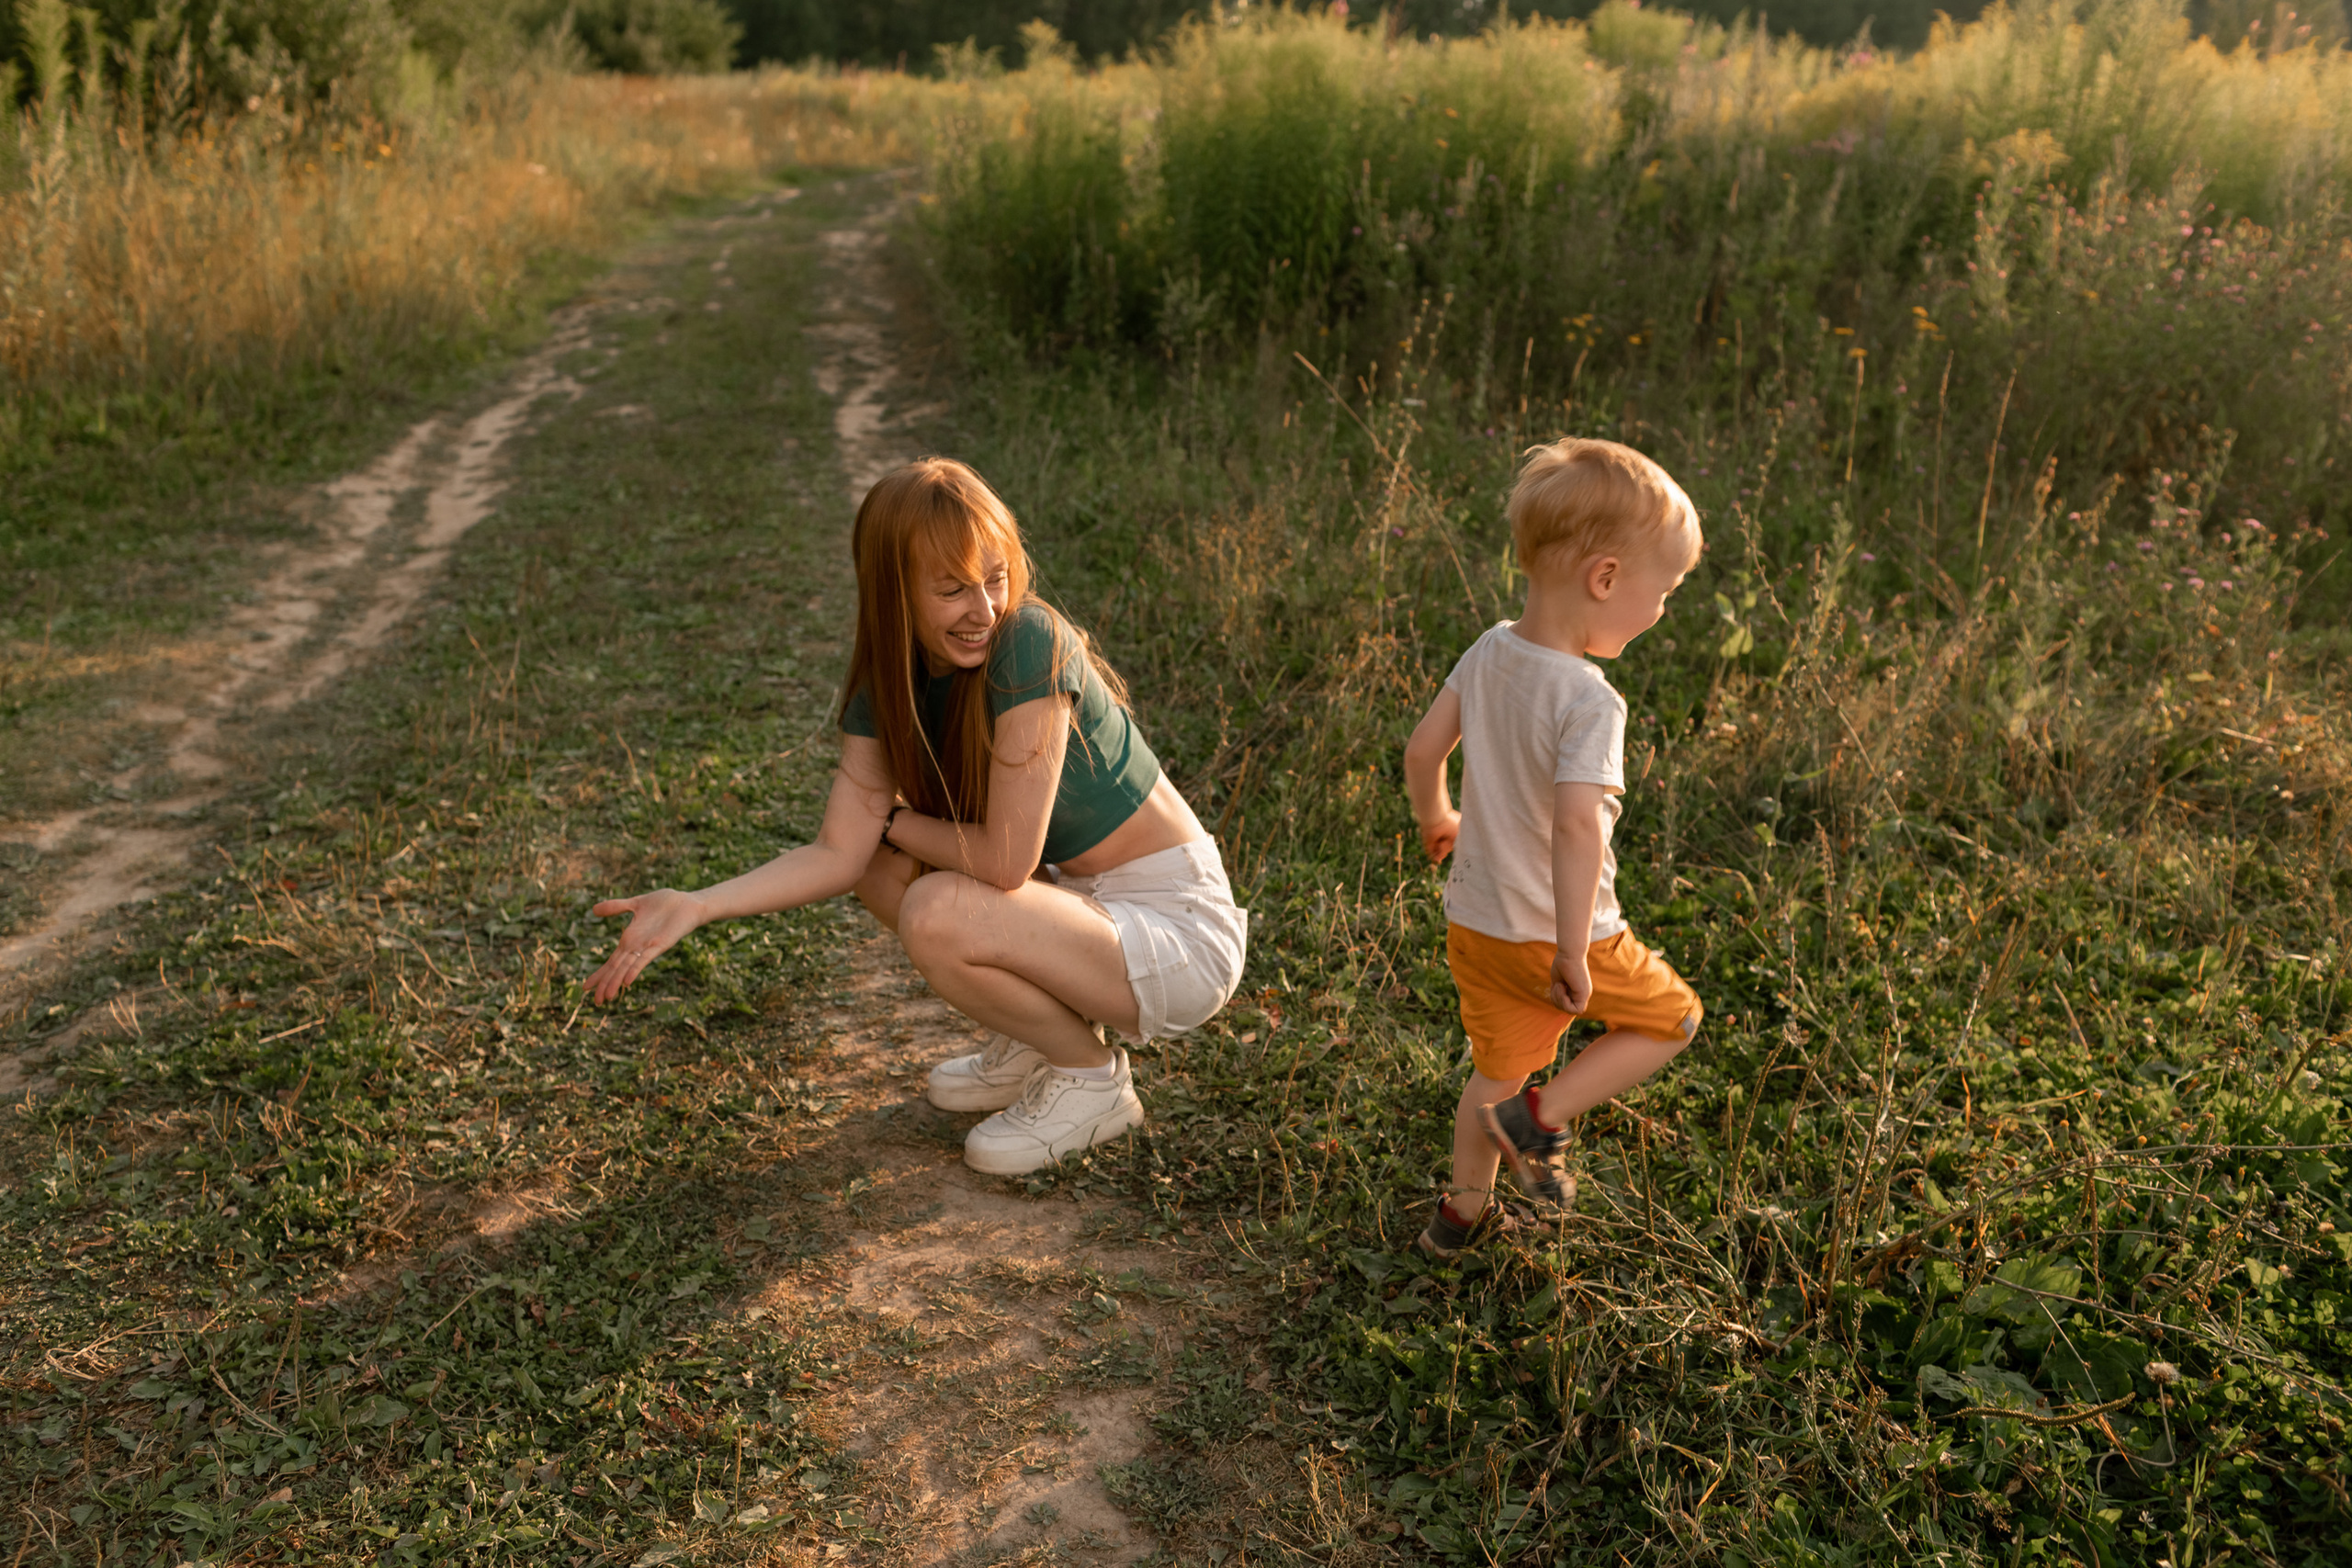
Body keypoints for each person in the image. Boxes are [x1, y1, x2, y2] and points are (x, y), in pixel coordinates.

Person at [583, 457, 1248, 1175]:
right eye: (952, 588)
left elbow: (1003, 863)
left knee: (933, 903)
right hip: (1085, 913)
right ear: (896, 592)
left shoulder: (1028, 640)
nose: (984, 609)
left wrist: (890, 820)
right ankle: (1041, 1039)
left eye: (994, 578)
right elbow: (839, 853)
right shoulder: (892, 678)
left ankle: (1090, 1079)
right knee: (877, 867)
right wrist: (698, 904)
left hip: (1176, 933)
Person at [1401, 437, 1705, 1258]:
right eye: (1664, 591)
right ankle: (1543, 1119)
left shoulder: (1491, 648)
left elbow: (1423, 750)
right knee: (1674, 1017)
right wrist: (1574, 950)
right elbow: (1578, 827)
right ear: (1604, 579)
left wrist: (1439, 815)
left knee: (1494, 1069)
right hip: (1557, 933)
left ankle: (1460, 1214)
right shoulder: (1590, 700)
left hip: (1477, 924)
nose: (1663, 609)